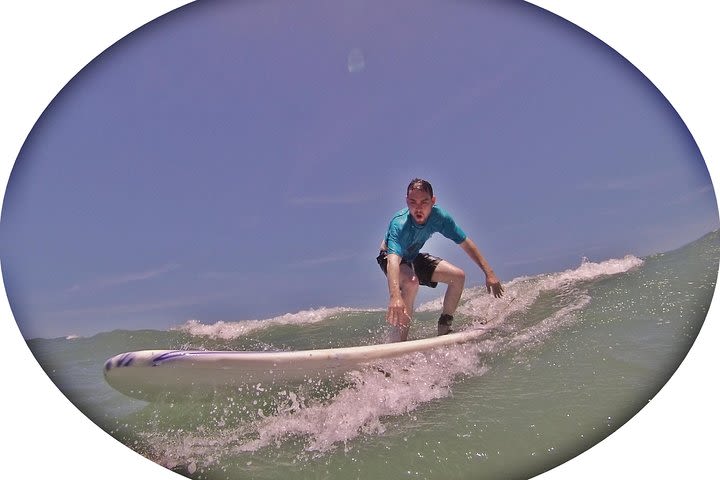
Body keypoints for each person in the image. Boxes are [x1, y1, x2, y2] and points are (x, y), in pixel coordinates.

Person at [377, 178, 503, 341]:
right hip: (389, 257)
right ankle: (400, 342)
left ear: (433, 201)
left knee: (458, 277)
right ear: (407, 201)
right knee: (411, 282)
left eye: (424, 201)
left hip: (413, 257)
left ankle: (445, 327)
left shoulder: (440, 218)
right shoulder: (399, 225)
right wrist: (395, 296)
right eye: (413, 202)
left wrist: (489, 273)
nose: (418, 207)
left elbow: (466, 244)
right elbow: (393, 261)